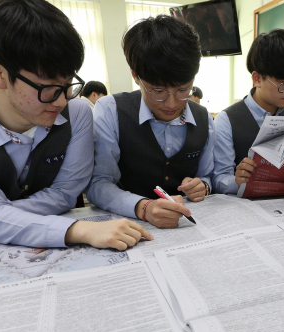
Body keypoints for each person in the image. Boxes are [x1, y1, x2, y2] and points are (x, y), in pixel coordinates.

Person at [0, 0, 151, 265]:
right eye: (48, 87)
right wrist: (78, 230)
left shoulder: (78, 112)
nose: (61, 101)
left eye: (68, 84)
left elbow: (64, 193)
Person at [86, 15, 214, 229]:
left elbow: (208, 176)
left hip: (186, 225)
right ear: (136, 76)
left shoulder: (203, 118)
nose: (171, 103)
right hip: (129, 224)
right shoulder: (111, 110)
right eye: (158, 91)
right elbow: (98, 183)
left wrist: (203, 186)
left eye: (183, 90)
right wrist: (142, 207)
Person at [212, 29, 284, 194]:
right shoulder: (226, 120)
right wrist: (237, 180)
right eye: (282, 82)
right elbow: (219, 179)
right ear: (257, 79)